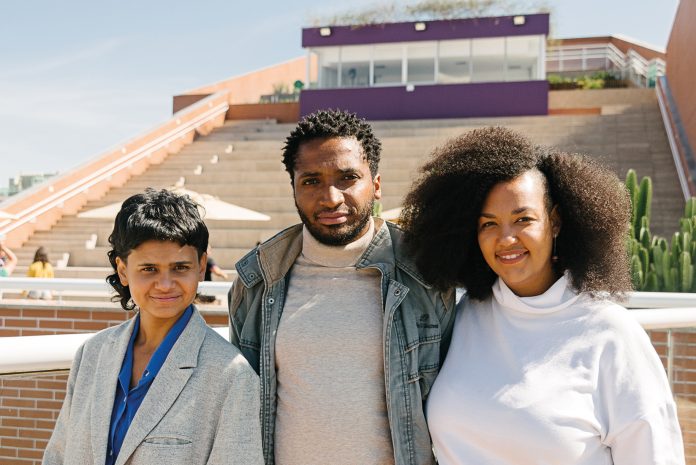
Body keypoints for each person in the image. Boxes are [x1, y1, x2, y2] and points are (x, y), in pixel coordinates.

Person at [400, 127, 685, 464]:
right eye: (488, 224)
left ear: (556, 222)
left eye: (523, 219)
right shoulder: (462, 316)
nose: (505, 239)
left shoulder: (610, 334)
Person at [228, 109, 455, 465]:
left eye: (347, 178)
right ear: (293, 187)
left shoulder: (426, 276)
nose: (331, 198)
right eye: (311, 181)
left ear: (376, 184)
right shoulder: (257, 279)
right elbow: (240, 406)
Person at [44, 188, 263, 465]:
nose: (165, 284)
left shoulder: (231, 375)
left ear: (200, 267)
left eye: (180, 267)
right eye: (149, 269)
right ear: (123, 271)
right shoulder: (92, 353)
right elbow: (58, 455)